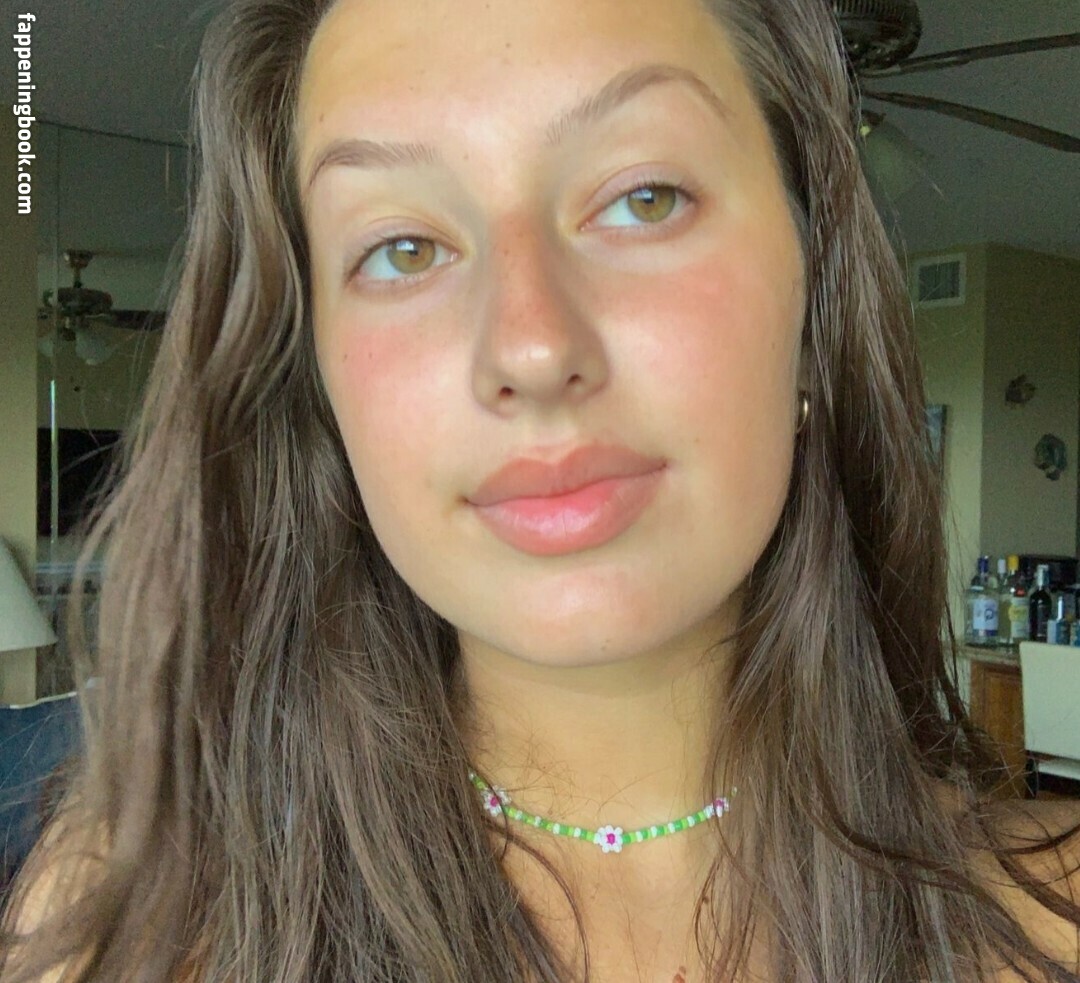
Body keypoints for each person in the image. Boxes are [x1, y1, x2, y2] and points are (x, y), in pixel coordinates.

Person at [4, 0, 1080, 979]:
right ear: (320, 388)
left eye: (643, 199)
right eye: (403, 248)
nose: (529, 344)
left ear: (815, 302)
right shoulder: (132, 931)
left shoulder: (1052, 922)